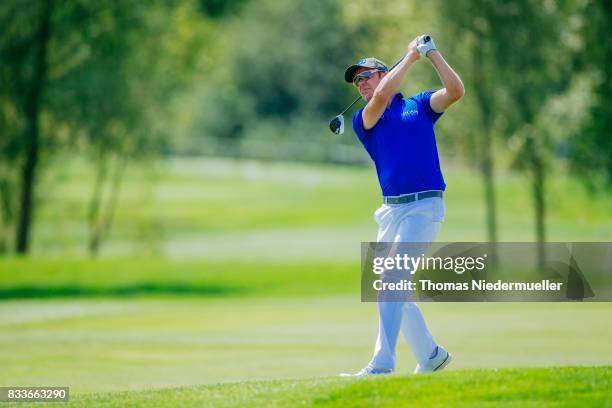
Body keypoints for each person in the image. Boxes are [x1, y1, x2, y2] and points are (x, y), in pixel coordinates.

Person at [340, 35, 464, 377]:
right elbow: (381, 97)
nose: (362, 83)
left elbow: (455, 91)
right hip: (391, 211)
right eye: (357, 80)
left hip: (423, 207)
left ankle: (382, 362)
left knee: (393, 278)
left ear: (383, 74)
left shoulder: (420, 105)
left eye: (367, 75)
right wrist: (410, 57)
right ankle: (431, 355)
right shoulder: (366, 118)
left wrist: (432, 53)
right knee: (393, 285)